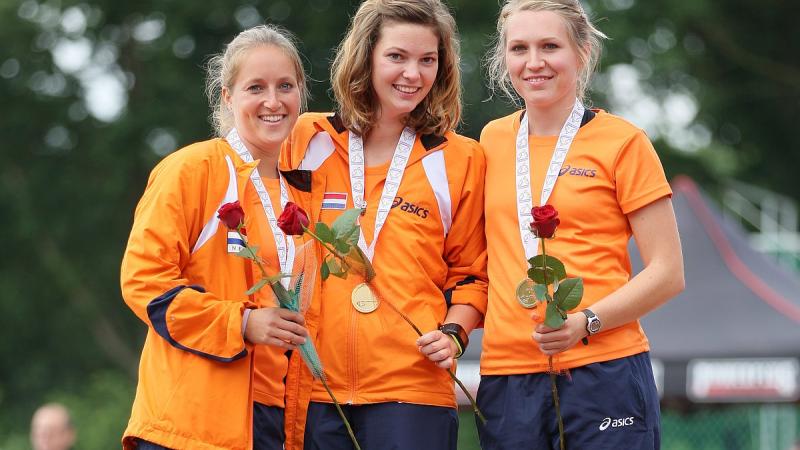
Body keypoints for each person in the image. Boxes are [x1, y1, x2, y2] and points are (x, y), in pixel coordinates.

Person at [477, 1, 685, 449]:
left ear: (582, 52)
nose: (534, 62)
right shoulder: (490, 141)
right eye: (519, 48)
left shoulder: (623, 142)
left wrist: (586, 322)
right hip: (508, 373)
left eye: (550, 46)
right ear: (504, 57)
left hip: (603, 367)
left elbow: (668, 273)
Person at [279, 1, 487, 448]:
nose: (413, 73)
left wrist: (453, 335)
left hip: (413, 392)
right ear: (366, 56)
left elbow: (473, 274)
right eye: (397, 56)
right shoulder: (305, 139)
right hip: (315, 389)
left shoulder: (460, 158)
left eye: (427, 60)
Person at [120, 24, 310, 450]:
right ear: (227, 96)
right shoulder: (192, 170)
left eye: (285, 86)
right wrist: (240, 323)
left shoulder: (300, 191)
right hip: (191, 424)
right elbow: (143, 283)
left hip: (273, 418)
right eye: (255, 87)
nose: (273, 101)